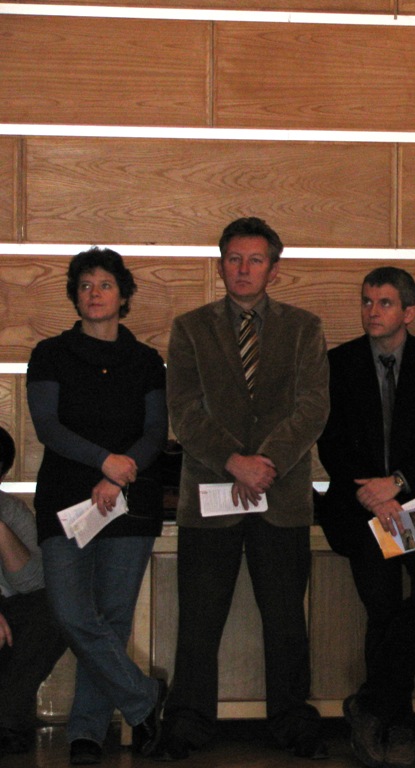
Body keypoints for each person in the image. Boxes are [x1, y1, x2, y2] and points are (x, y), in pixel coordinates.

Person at [158, 217, 330, 760]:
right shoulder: (190, 328)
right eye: (234, 258)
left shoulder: (304, 328)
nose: (243, 269)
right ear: (220, 265)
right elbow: (184, 411)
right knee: (198, 621)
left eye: (255, 260)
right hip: (210, 494)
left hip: (282, 495)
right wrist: (234, 462)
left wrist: (267, 462)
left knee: (286, 622)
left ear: (274, 270)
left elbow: (313, 408)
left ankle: (292, 720)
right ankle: (187, 723)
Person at [317, 267, 415, 768]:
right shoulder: (338, 363)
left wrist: (399, 484)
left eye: (384, 303)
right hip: (362, 506)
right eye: (366, 301)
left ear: (409, 312)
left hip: (414, 504)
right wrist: (374, 495)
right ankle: (393, 721)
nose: (372, 311)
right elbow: (330, 442)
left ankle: (371, 705)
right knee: (382, 605)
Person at [27, 248, 167, 764]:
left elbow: (155, 432)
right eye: (85, 285)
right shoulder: (50, 354)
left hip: (131, 502)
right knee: (70, 612)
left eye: (105, 284)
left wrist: (119, 472)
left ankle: (86, 730)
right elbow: (48, 427)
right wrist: (104, 462)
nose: (94, 293)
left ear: (124, 295)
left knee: (112, 619)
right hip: (66, 499)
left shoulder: (146, 361)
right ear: (75, 295)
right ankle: (144, 697)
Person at [0, 426, 67, 756]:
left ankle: (9, 720)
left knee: (56, 608)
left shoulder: (12, 511)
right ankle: (10, 720)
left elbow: (32, 583)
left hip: (11, 617)